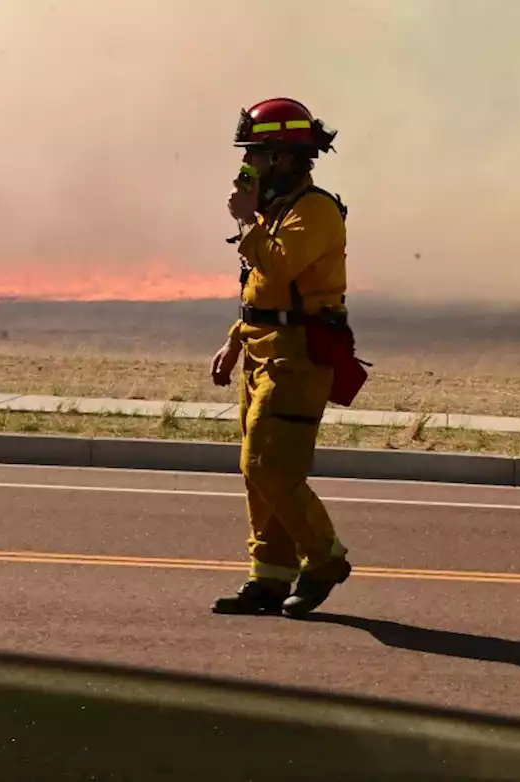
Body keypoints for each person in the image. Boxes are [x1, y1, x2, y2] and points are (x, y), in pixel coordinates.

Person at [209, 97, 352, 618]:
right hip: (262, 354)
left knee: (268, 465)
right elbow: (264, 291)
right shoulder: (278, 212)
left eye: (258, 156)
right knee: (257, 473)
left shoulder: (313, 211)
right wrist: (234, 339)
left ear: (287, 158)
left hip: (298, 360)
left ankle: (326, 558)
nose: (249, 167)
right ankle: (270, 576)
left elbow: (282, 266)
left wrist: (247, 222)